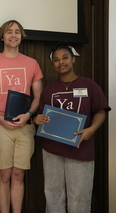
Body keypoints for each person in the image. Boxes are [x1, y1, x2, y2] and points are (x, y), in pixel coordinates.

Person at [33, 42, 111, 213]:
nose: (61, 62)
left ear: (73, 59)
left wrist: (91, 129)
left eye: (65, 58)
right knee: (53, 195)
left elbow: (101, 111)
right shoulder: (48, 90)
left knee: (79, 197)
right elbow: (41, 116)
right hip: (52, 150)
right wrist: (37, 119)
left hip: (80, 149)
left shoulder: (90, 85)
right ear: (52, 64)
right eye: (56, 60)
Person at [0, 20, 43, 213]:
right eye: (9, 32)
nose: (13, 35)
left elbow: (38, 96)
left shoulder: (32, 63)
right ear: (2, 37)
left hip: (25, 127)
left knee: (18, 175)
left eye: (17, 32)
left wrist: (29, 114)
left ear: (21, 36)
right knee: (4, 176)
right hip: (0, 127)